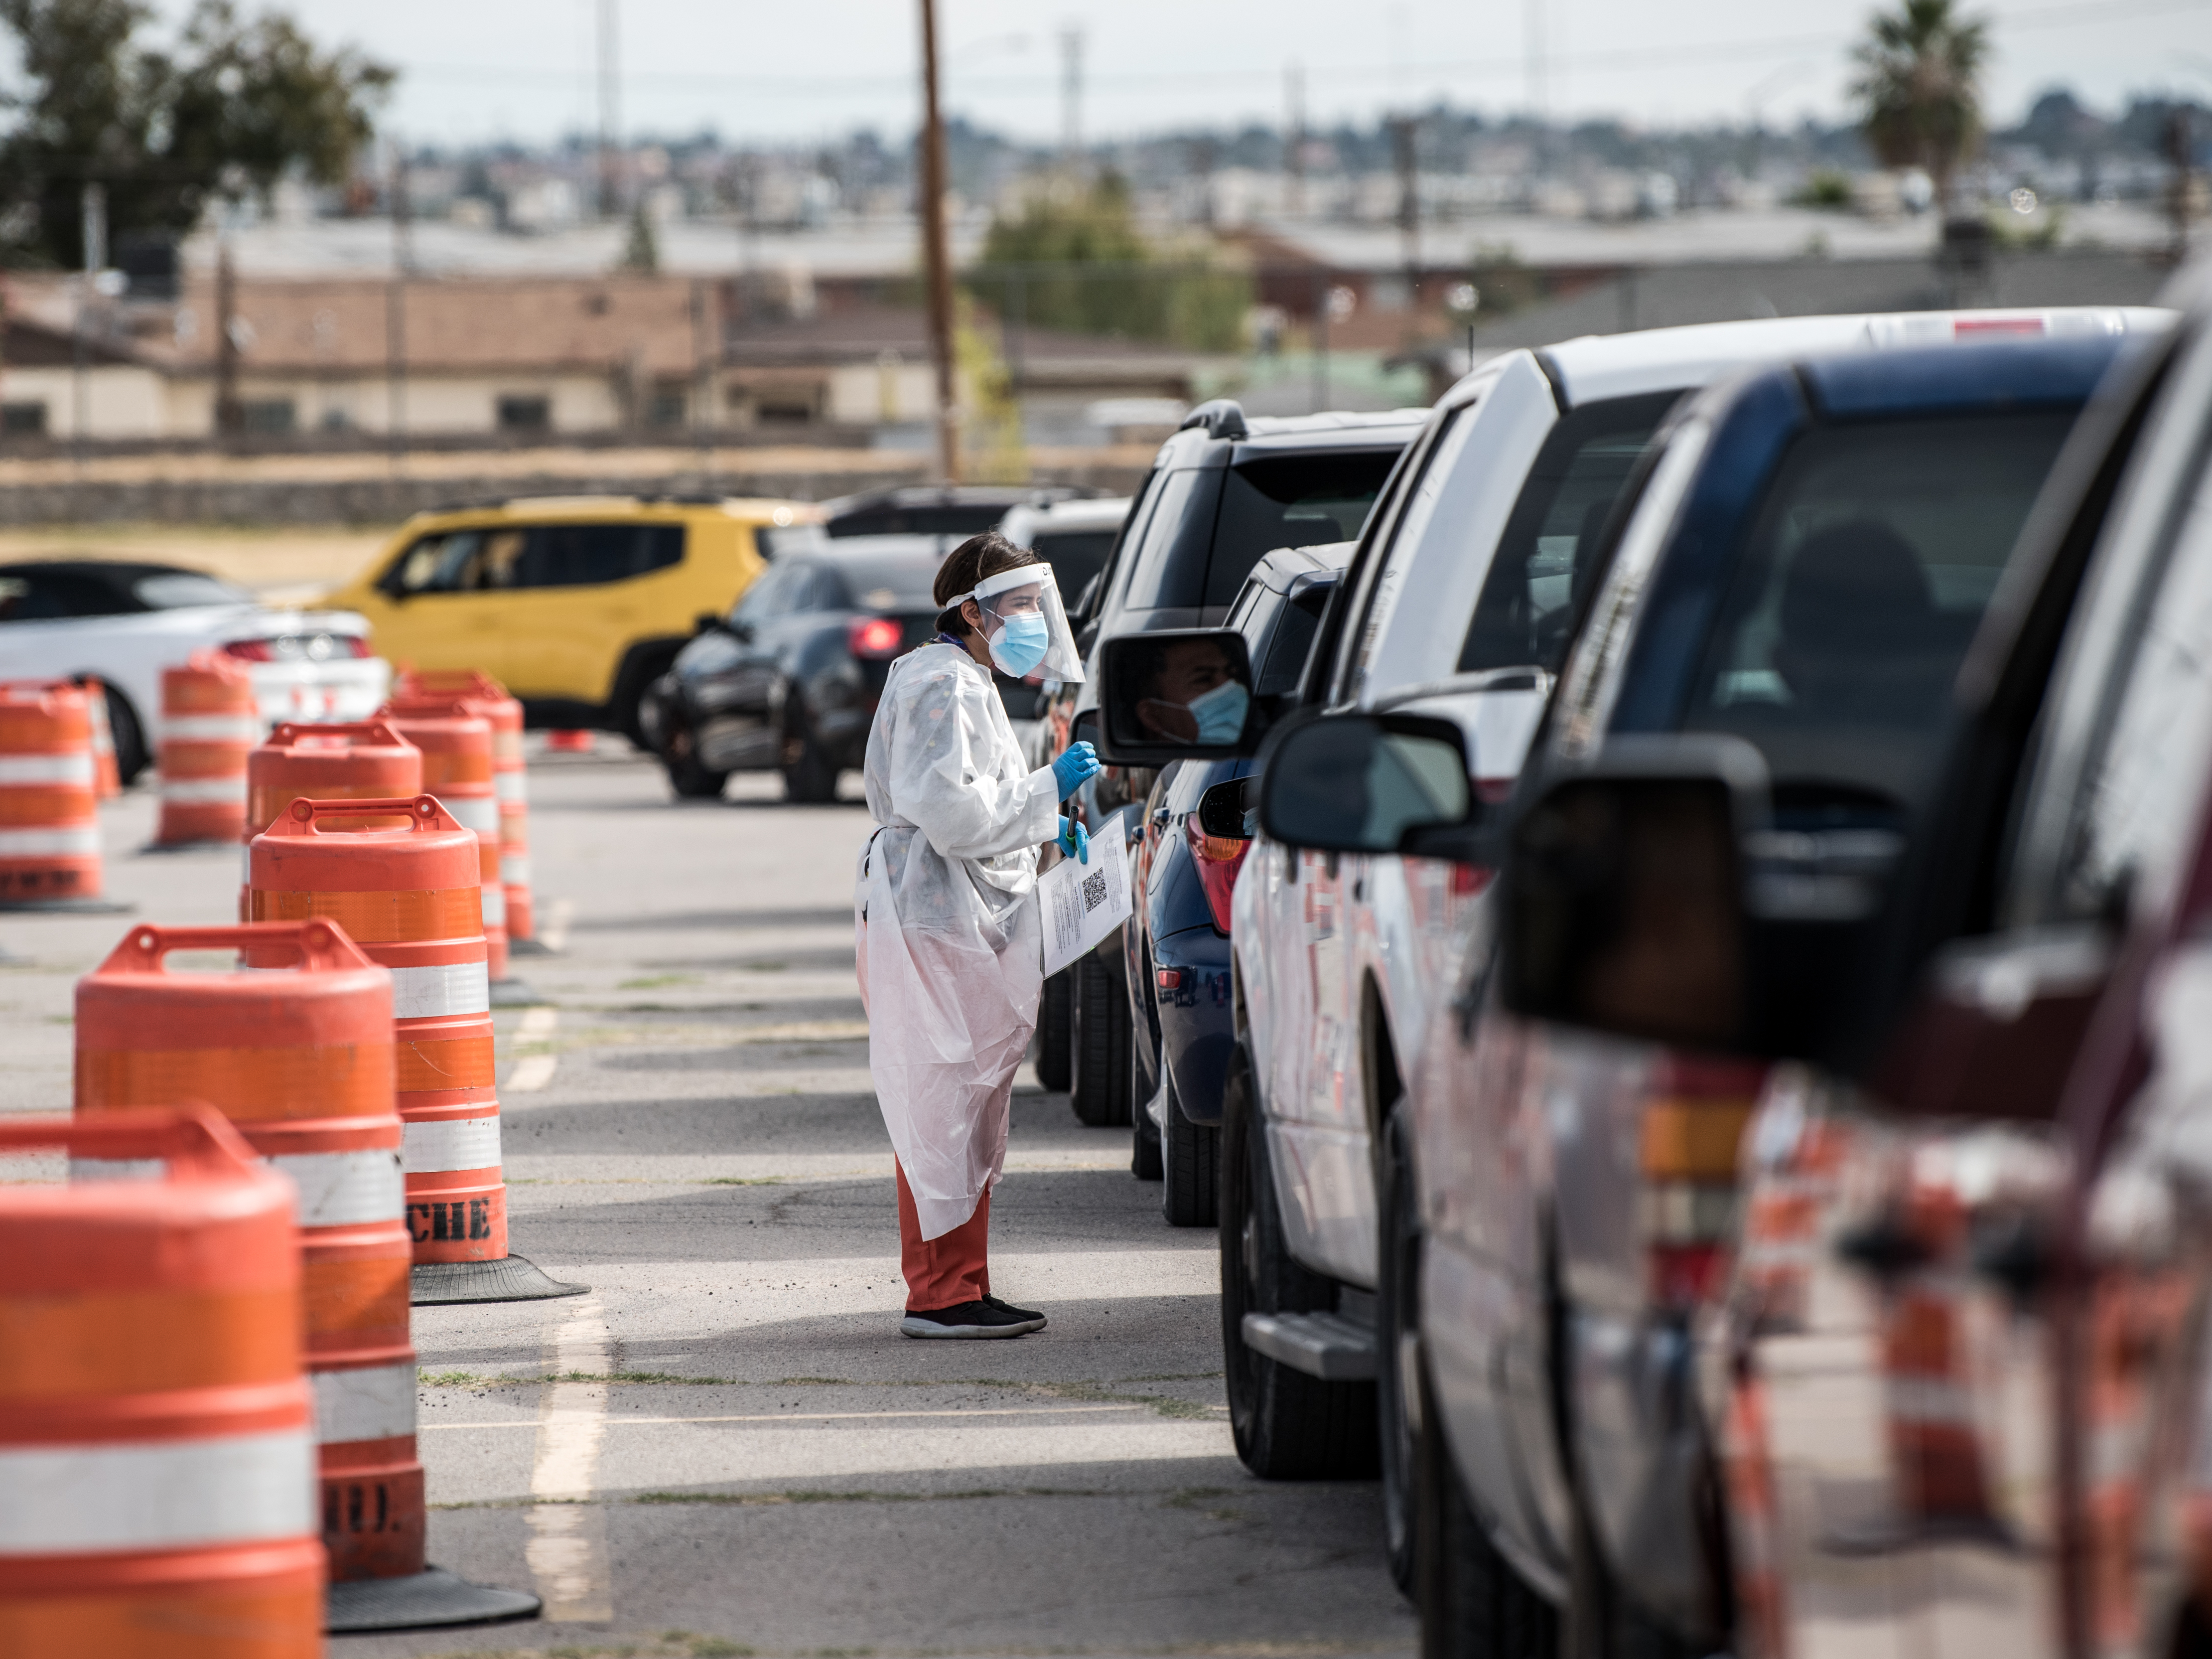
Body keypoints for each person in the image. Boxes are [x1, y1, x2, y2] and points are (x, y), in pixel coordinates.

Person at [854, 531, 1100, 1339]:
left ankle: (964, 1283)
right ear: (971, 612)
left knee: (968, 1102)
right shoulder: (943, 685)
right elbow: (955, 816)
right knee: (941, 1098)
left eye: (1036, 605)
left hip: (953, 911)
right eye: (1019, 606)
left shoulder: (961, 679)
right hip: (931, 916)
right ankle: (939, 1292)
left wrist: (1044, 823)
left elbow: (976, 805)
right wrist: (1045, 789)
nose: (1032, 621)